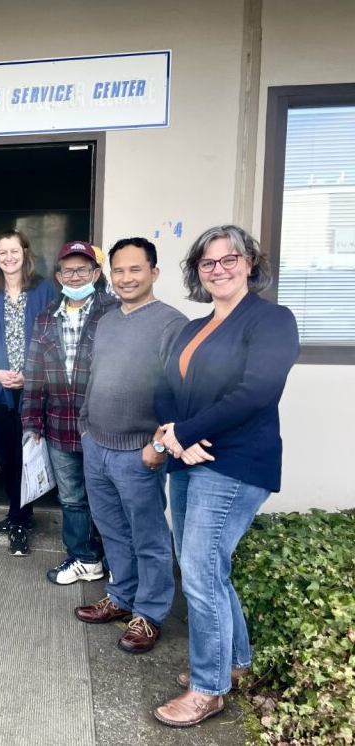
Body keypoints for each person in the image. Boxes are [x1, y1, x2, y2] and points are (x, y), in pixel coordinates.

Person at [152, 226, 299, 727]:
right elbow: (165, 386)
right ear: (198, 272)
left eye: (228, 258)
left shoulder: (272, 320)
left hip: (236, 461)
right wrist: (176, 436)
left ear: (250, 263)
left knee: (197, 569)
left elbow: (256, 391)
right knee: (209, 567)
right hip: (188, 458)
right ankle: (232, 665)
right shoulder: (193, 328)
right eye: (207, 263)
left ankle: (208, 688)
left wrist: (187, 432)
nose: (219, 269)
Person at [73, 237, 186, 654]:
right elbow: (95, 376)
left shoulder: (172, 324)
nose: (126, 278)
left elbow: (181, 392)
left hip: (139, 451)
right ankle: (121, 599)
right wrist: (85, 426)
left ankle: (150, 613)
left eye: (135, 269)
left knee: (149, 535)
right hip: (98, 445)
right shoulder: (107, 320)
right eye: (119, 270)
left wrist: (159, 442)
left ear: (154, 273)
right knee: (112, 531)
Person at [21, 241, 119, 583]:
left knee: (107, 497)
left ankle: (116, 562)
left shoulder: (114, 311)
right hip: (58, 423)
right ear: (58, 276)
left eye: (82, 269)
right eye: (68, 270)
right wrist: (31, 419)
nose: (75, 277)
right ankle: (83, 557)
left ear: (96, 273)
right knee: (72, 498)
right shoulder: (47, 315)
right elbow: (33, 371)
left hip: (104, 425)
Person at [0, 230, 56, 556]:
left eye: (14, 251)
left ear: (25, 253)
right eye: (2, 253)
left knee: (29, 456)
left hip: (34, 388)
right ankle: (19, 512)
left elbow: (54, 336)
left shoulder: (43, 289)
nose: (8, 258)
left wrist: (31, 375)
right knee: (7, 457)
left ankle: (19, 522)